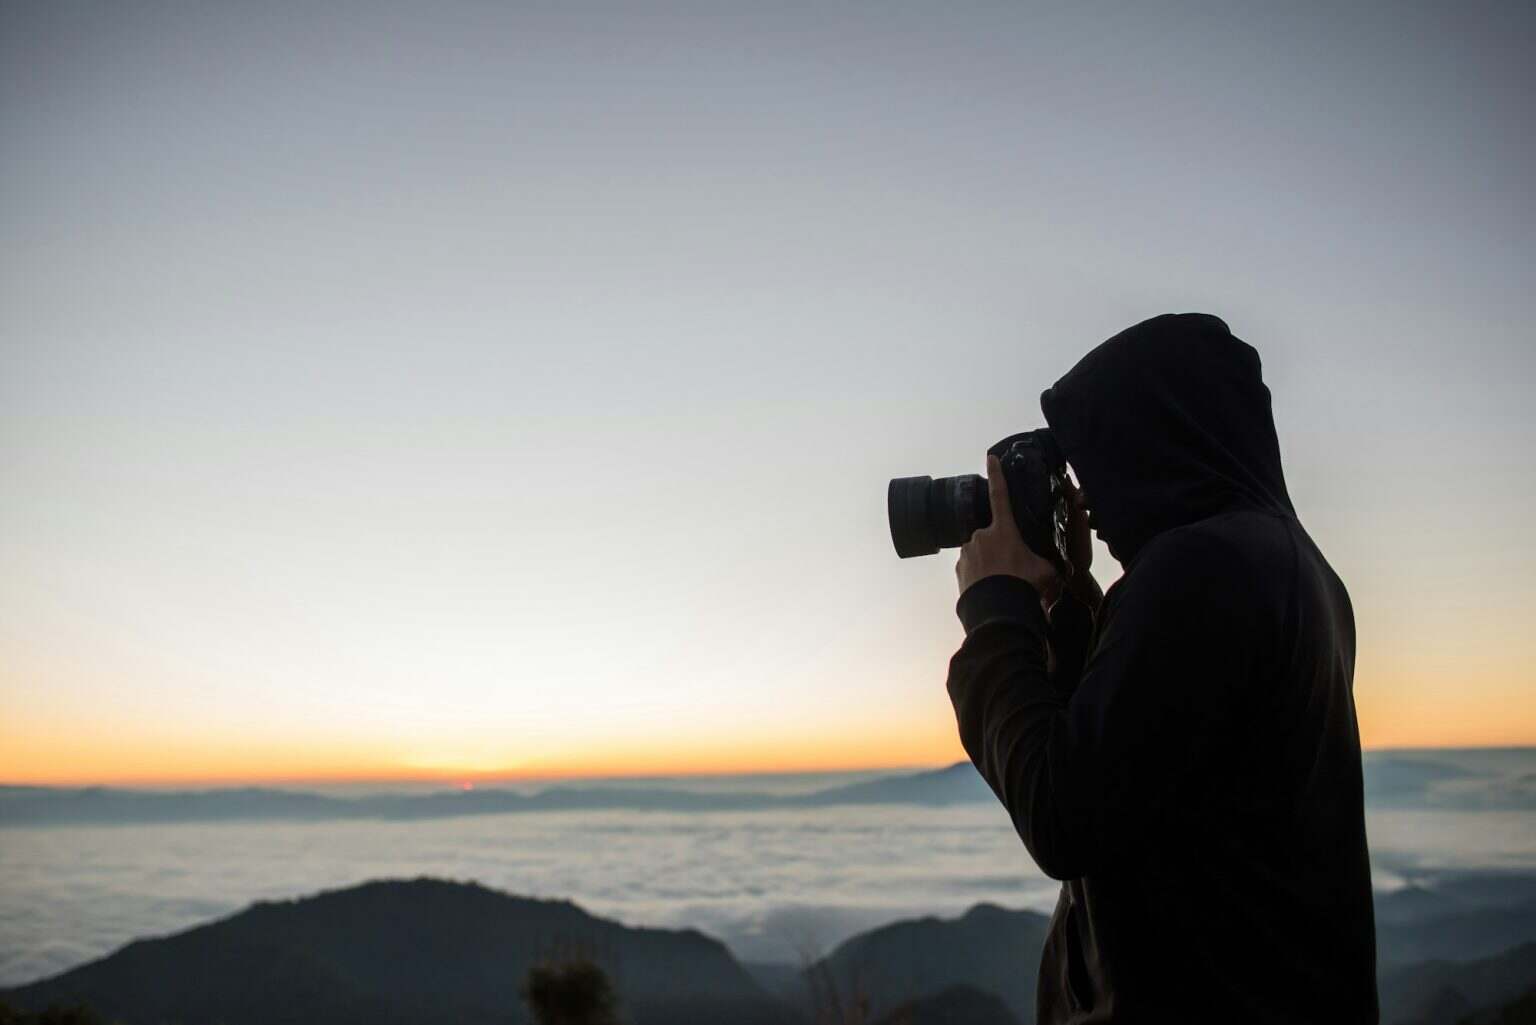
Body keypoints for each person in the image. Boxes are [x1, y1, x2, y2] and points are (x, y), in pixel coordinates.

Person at [947, 313, 1377, 1023]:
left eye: (1101, 463)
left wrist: (997, 609)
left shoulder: (1199, 569)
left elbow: (1065, 811)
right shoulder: (1295, 570)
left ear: (1157, 442)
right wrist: (1073, 600)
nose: (1087, 501)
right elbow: (1140, 754)